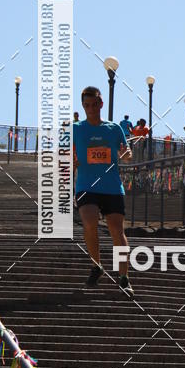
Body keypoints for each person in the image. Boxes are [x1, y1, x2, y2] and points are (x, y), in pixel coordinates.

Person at [73, 86, 134, 295]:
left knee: (117, 230)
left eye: (94, 105)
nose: (90, 109)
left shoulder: (114, 128)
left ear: (101, 104)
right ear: (83, 106)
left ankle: (124, 277)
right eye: (86, 105)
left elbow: (126, 152)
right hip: (86, 185)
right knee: (89, 222)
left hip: (111, 186)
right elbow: (64, 156)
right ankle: (96, 265)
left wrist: (126, 154)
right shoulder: (75, 128)